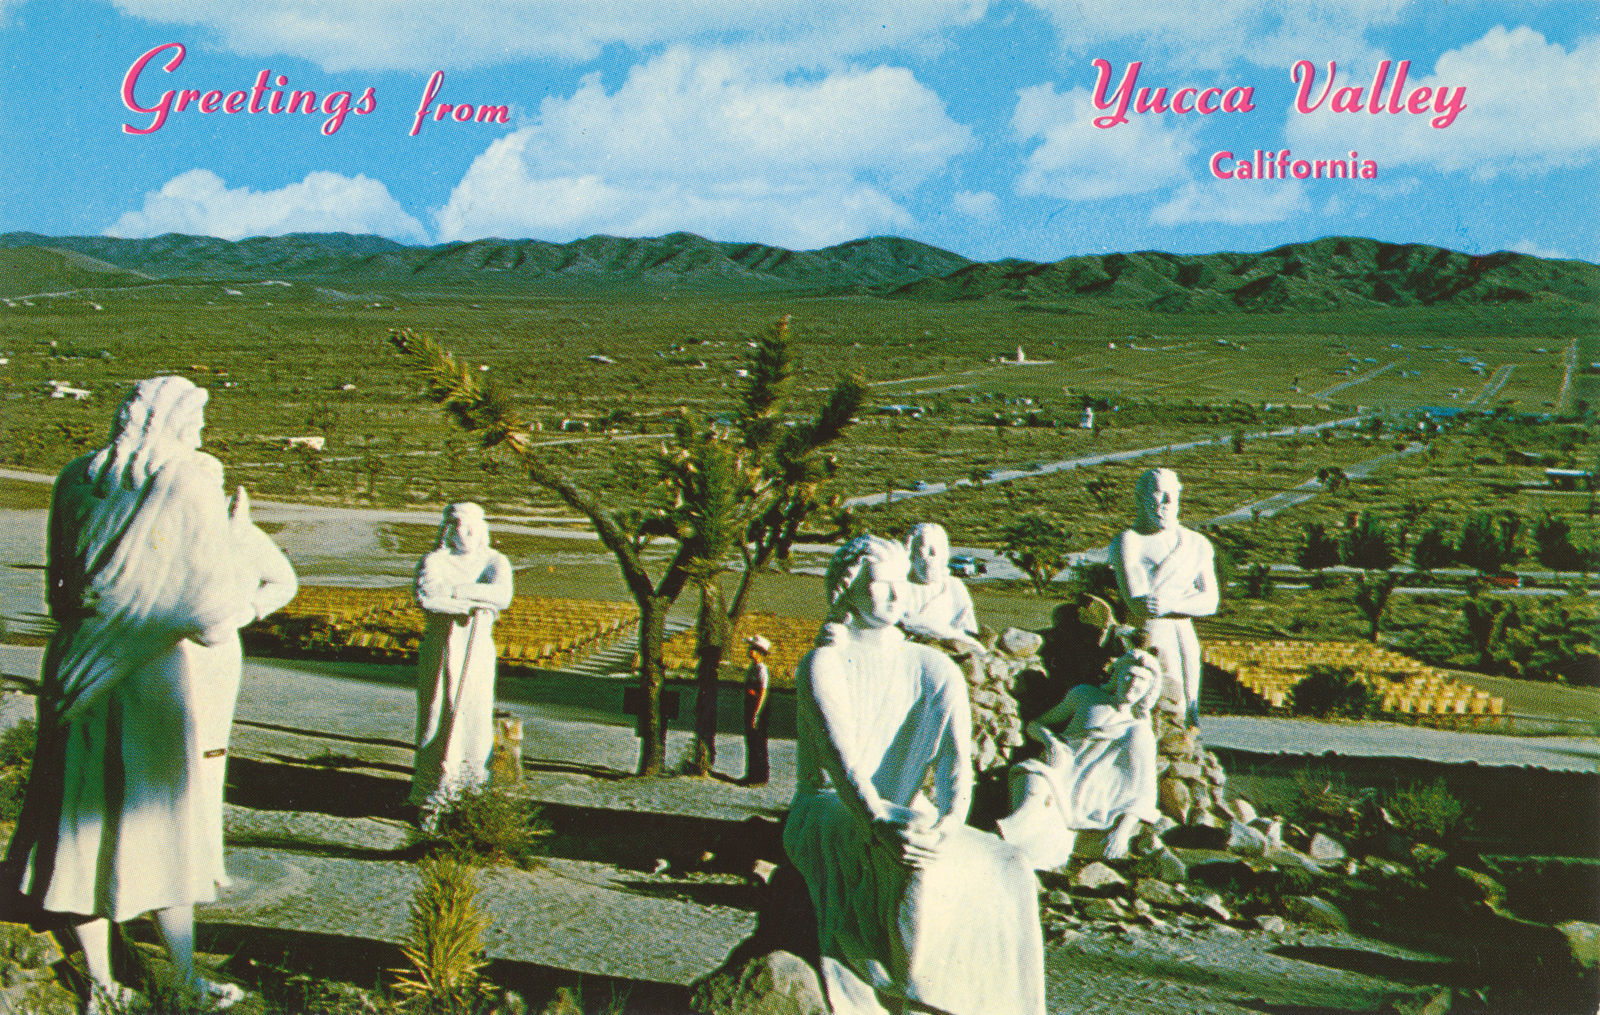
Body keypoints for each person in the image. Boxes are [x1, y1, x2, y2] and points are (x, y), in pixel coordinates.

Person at [5, 376, 249, 1013]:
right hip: (149, 675)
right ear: (178, 421)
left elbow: (59, 593)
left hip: (74, 665)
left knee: (75, 822)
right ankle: (182, 976)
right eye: (197, 419)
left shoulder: (74, 476)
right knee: (166, 819)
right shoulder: (193, 476)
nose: (201, 432)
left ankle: (102, 982)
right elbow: (212, 611)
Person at [783, 535, 1044, 1015]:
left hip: (909, 814)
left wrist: (948, 825)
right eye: (881, 585)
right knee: (915, 862)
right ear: (848, 590)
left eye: (901, 583)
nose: (897, 596)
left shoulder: (933, 667)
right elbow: (843, 765)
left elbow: (955, 770)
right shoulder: (824, 663)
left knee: (1010, 864)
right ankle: (913, 996)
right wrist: (877, 821)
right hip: (830, 810)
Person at [183, 487, 298, 897]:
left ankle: (208, 859)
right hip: (170, 650)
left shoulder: (246, 538)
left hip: (218, 655)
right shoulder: (174, 532)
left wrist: (246, 611)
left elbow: (284, 581)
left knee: (210, 754)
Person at [997, 649, 1163, 868]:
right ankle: (998, 843)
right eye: (1128, 675)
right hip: (1053, 773)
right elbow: (1035, 725)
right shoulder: (1085, 695)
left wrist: (1122, 833)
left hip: (1086, 805)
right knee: (1031, 799)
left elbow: (1143, 792)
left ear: (1150, 689)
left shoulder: (1139, 732)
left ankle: (1002, 852)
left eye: (1141, 679)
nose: (1133, 683)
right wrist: (1051, 742)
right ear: (1116, 675)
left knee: (1054, 836)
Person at [409, 502, 514, 811]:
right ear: (448, 530)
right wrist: (473, 601)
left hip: (477, 647)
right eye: (457, 527)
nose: (464, 534)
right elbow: (427, 598)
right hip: (440, 646)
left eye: (471, 528)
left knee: (474, 716)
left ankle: (470, 789)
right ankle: (432, 790)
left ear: (481, 530)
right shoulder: (434, 560)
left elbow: (502, 596)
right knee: (436, 714)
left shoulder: (495, 560)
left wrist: (454, 591)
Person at [1111, 468, 1219, 728]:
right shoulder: (1130, 541)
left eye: (1173, 494)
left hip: (1184, 630)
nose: (1168, 502)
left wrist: (1174, 603)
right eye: (1159, 493)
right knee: (1156, 695)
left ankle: (1185, 748)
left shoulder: (1196, 543)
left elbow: (1210, 601)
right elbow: (1142, 603)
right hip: (1150, 633)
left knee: (1188, 697)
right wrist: (1186, 599)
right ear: (1141, 498)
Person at [898, 522, 983, 651]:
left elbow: (967, 634)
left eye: (939, 547)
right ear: (912, 553)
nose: (934, 553)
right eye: (926, 548)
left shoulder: (953, 587)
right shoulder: (899, 586)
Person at [742, 635, 772, 786]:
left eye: (752, 649)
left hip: (758, 709)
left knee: (759, 743)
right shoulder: (752, 668)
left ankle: (760, 777)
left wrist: (756, 713)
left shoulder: (762, 670)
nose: (749, 651)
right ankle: (751, 774)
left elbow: (763, 692)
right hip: (750, 706)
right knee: (751, 742)